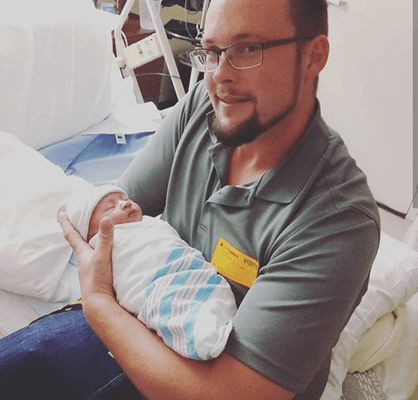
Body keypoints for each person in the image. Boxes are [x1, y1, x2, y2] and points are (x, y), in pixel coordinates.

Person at [0, 0, 380, 399]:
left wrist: (98, 303)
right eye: (213, 52)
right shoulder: (205, 109)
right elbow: (121, 221)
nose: (219, 77)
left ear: (313, 56)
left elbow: (229, 394)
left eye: (248, 49)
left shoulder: (337, 221)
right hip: (141, 323)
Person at [62, 184, 236, 360]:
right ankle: (198, 333)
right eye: (110, 207)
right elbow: (128, 274)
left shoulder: (151, 223)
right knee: (169, 304)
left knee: (204, 292)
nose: (125, 204)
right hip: (153, 286)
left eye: (125, 199)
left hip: (184, 270)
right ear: (91, 232)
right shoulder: (103, 245)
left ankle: (209, 312)